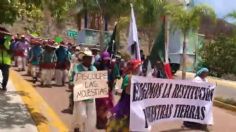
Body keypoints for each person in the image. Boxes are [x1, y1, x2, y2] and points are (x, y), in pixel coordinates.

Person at [107, 59, 142, 132]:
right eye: (138, 67)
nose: (139, 69)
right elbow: (121, 89)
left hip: (135, 100)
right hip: (127, 100)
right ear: (134, 68)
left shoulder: (140, 77)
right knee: (125, 118)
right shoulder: (127, 77)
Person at [69, 48, 97, 132]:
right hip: (80, 95)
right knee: (81, 115)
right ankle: (77, 126)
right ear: (83, 58)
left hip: (91, 97)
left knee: (91, 116)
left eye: (91, 57)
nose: (89, 59)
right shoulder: (77, 68)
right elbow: (71, 79)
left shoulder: (94, 69)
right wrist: (71, 84)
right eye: (87, 57)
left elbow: (97, 82)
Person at [94, 51, 120, 129]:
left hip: (109, 89)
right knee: (99, 106)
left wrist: (115, 84)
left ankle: (104, 121)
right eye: (104, 59)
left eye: (107, 59)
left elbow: (117, 76)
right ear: (101, 59)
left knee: (107, 105)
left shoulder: (112, 65)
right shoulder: (97, 65)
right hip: (99, 89)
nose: (106, 61)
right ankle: (98, 122)